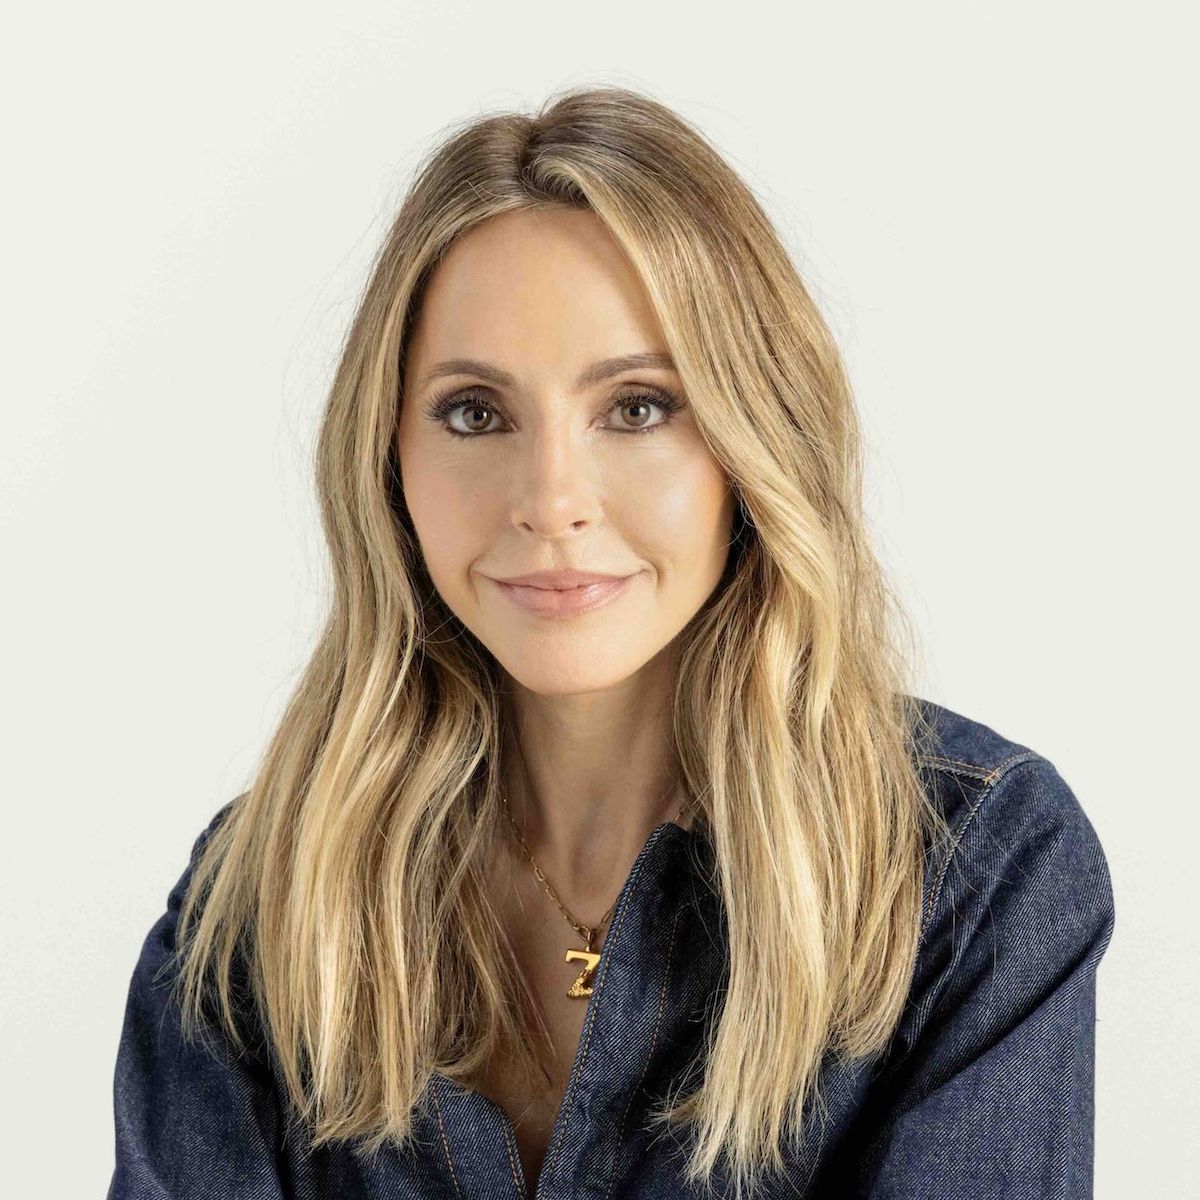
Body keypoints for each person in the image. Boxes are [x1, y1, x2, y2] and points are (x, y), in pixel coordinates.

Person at [107, 84, 1115, 1200]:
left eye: (636, 407)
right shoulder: (256, 908)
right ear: (387, 460)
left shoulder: (974, 872)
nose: (551, 500)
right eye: (475, 413)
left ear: (751, 440)